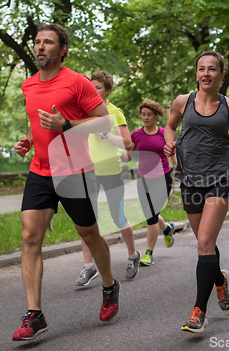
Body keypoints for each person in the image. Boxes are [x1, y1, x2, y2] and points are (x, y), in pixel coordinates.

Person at [12, 23, 119, 342]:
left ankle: (110, 286)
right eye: (37, 42)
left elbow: (104, 121)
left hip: (75, 169)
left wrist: (67, 123)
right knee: (30, 236)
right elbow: (37, 121)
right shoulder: (28, 86)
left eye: (48, 42)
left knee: (88, 233)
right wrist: (28, 141)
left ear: (62, 51)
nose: (40, 47)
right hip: (40, 170)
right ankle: (35, 314)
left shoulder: (77, 82)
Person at [164, 50, 229, 334]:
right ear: (196, 73)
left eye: (212, 69)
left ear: (222, 76)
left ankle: (199, 311)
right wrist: (169, 144)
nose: (206, 74)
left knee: (203, 244)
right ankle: (220, 281)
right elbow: (170, 127)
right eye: (201, 69)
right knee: (204, 242)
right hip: (189, 174)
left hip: (220, 175)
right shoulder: (182, 102)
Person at [75, 71, 140, 286]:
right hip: (87, 170)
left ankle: (132, 256)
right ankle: (88, 266)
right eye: (91, 87)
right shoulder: (83, 112)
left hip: (111, 169)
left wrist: (103, 133)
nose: (93, 91)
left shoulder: (114, 112)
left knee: (117, 216)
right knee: (87, 220)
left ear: (108, 90)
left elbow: (127, 144)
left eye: (98, 87)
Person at [129, 100, 176, 266]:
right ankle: (167, 228)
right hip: (143, 180)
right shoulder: (136, 135)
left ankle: (149, 253)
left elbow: (173, 153)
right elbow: (129, 155)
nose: (146, 117)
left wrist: (180, 166)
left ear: (156, 115)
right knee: (150, 215)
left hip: (162, 178)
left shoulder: (164, 133)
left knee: (151, 217)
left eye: (149, 114)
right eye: (143, 114)